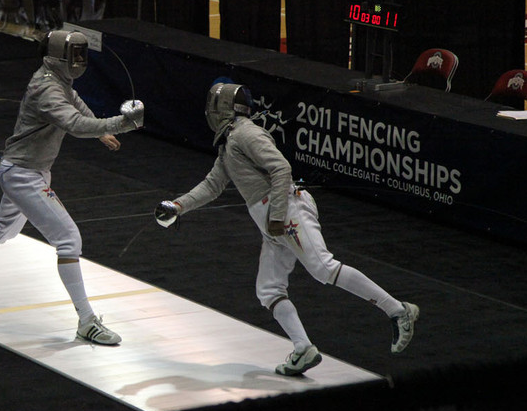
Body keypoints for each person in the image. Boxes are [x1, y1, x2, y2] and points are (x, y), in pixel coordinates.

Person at [154, 79, 420, 376]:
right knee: (268, 290)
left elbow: (281, 168)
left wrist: (278, 216)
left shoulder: (247, 134)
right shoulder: (229, 143)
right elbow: (212, 185)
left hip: (286, 212)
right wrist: (177, 206)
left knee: (323, 268)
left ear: (225, 108)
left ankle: (398, 310)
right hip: (273, 223)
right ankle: (303, 348)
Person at [0, 30, 145, 345]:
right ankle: (87, 321)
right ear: (58, 56)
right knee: (69, 239)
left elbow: (77, 107)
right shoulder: (46, 87)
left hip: (26, 170)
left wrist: (101, 131)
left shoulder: (58, 80)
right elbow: (74, 124)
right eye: (74, 55)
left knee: (4, 230)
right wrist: (119, 123)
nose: (79, 61)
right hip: (23, 174)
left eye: (81, 55)